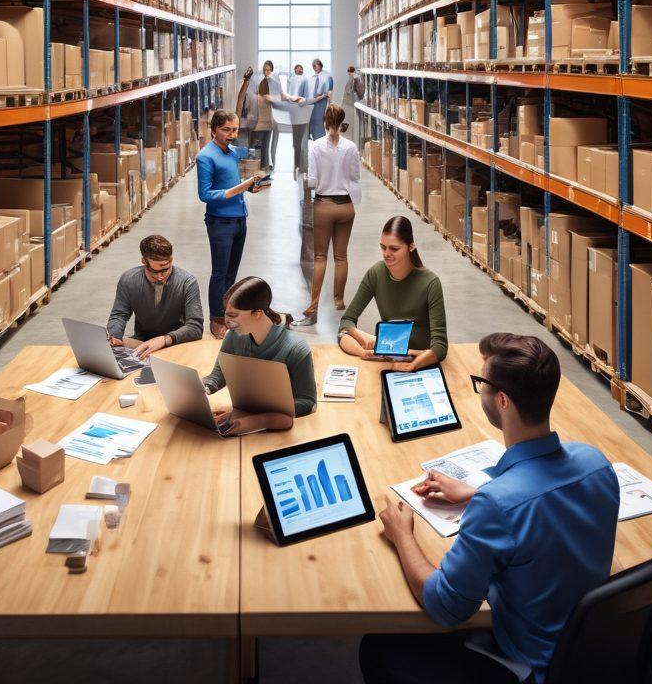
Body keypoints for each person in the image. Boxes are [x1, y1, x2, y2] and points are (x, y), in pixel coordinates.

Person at [361, 332, 620, 684]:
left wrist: (402, 536)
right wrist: (480, 489)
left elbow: (444, 606)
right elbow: (540, 496)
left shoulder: (497, 506)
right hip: (594, 655)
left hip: (533, 668)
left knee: (377, 649)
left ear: (501, 401)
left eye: (481, 383)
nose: (479, 390)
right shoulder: (597, 464)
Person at [202, 276, 317, 433]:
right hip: (241, 423)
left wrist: (259, 418)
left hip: (281, 434)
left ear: (257, 313)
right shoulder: (233, 336)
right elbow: (218, 376)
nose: (226, 321)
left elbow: (308, 401)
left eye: (233, 315)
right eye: (226, 314)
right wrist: (202, 389)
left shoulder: (296, 348)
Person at [337, 215, 447, 371]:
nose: (386, 254)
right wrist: (360, 343)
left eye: (394, 248)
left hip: (421, 361)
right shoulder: (376, 273)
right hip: (388, 357)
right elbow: (346, 321)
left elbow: (440, 347)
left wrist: (412, 362)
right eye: (383, 247)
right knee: (345, 334)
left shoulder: (431, 283)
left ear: (411, 246)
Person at [196, 109, 269, 339]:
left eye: (235, 129)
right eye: (226, 130)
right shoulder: (205, 157)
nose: (232, 134)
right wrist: (240, 187)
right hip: (220, 222)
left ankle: (229, 315)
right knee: (219, 272)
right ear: (213, 130)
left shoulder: (232, 153)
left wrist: (252, 187)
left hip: (239, 218)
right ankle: (216, 318)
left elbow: (236, 183)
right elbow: (205, 194)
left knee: (232, 272)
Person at [293, 104, 361, 328]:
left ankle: (313, 307)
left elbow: (312, 180)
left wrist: (304, 182)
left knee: (320, 257)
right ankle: (339, 300)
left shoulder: (316, 147)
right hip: (345, 206)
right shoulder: (350, 147)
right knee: (341, 257)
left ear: (324, 121)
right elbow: (354, 176)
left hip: (324, 205)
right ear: (341, 122)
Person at [106, 234, 203, 358]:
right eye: (155, 272)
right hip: (142, 343)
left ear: (171, 259)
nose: (161, 276)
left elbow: (195, 327)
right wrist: (114, 335)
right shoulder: (129, 280)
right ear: (144, 261)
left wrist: (164, 339)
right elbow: (119, 314)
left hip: (176, 343)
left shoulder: (187, 282)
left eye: (166, 269)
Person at [236, 61, 282, 171]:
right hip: (259, 122)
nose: (266, 72)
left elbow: (279, 100)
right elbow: (246, 102)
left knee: (266, 146)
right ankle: (261, 165)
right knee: (258, 146)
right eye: (265, 69)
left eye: (269, 69)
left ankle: (266, 165)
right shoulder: (258, 87)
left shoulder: (274, 85)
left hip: (269, 122)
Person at [287, 62, 310, 175]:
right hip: (294, 111)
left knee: (303, 141)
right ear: (295, 70)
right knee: (296, 140)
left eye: (301, 68)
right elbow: (289, 95)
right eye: (297, 68)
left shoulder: (305, 80)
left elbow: (306, 97)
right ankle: (297, 164)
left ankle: (303, 166)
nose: (299, 70)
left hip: (302, 112)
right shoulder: (291, 79)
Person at [306, 57, 333, 141]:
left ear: (320, 65)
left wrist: (329, 102)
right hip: (313, 101)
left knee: (319, 120)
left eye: (316, 65)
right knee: (312, 120)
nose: (314, 67)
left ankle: (319, 140)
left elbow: (329, 90)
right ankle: (314, 138)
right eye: (313, 65)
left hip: (322, 101)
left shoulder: (327, 76)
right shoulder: (313, 77)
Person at [341, 64, 365, 149]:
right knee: (346, 126)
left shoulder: (355, 79)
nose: (349, 74)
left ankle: (350, 146)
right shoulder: (353, 79)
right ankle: (348, 145)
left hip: (350, 106)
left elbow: (360, 92)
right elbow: (360, 93)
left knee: (348, 127)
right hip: (348, 106)